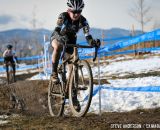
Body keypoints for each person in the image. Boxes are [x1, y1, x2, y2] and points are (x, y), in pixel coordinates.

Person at [50, 0, 100, 82]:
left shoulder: (83, 21)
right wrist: (59, 37)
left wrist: (92, 43)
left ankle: (71, 88)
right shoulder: (63, 16)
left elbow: (88, 36)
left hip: (71, 40)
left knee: (73, 66)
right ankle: (54, 73)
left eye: (79, 11)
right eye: (74, 12)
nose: (76, 14)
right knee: (58, 46)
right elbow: (56, 31)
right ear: (69, 10)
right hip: (58, 37)